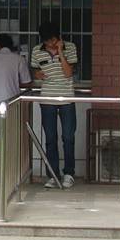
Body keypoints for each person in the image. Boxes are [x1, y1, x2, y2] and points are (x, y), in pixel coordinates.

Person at [31, 22, 80, 189]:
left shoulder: (70, 47)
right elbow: (35, 73)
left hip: (67, 98)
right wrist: (37, 74)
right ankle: (52, 174)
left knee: (68, 137)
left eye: (52, 40)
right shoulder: (37, 51)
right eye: (47, 42)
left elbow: (68, 73)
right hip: (47, 99)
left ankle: (69, 173)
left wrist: (60, 52)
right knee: (50, 139)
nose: (50, 44)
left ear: (58, 37)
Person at [0, 34, 31, 170]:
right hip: (10, 102)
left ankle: (0, 165)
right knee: (10, 133)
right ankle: (5, 163)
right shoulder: (19, 59)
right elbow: (27, 82)